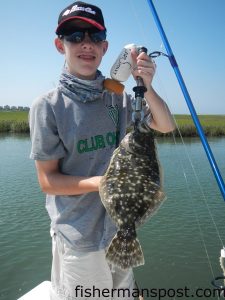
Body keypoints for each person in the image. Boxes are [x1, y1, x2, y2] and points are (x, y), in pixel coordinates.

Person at [29, 1, 175, 299]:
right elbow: (48, 181)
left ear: (105, 47)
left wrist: (146, 85)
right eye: (75, 36)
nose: (86, 44)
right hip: (79, 237)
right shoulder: (48, 106)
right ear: (60, 45)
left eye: (94, 37)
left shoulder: (117, 98)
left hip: (118, 229)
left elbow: (166, 125)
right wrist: (105, 184)